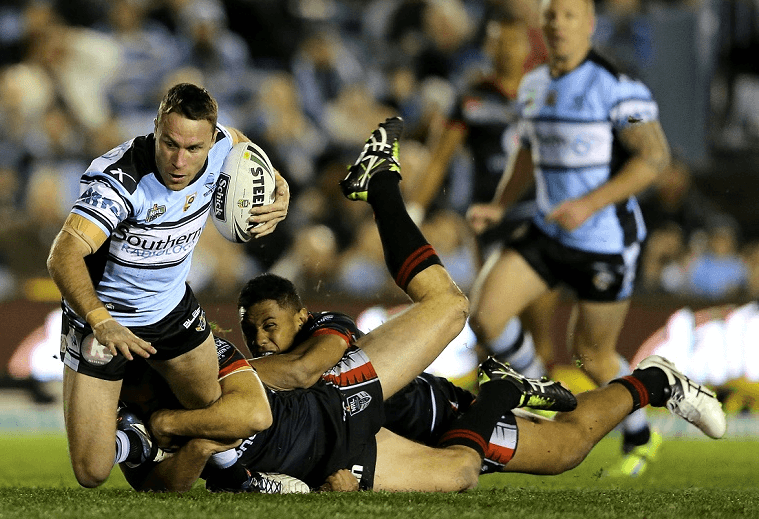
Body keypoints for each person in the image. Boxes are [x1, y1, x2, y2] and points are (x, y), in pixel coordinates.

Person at [115, 118, 724, 494]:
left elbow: (297, 377)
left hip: (378, 402)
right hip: (352, 441)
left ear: (301, 315)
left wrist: (191, 419)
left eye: (270, 325)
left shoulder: (319, 333)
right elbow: (250, 462)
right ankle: (630, 383)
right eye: (253, 332)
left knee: (550, 435)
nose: (262, 339)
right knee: (486, 464)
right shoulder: (217, 386)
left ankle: (381, 188)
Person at [46, 83, 289, 488]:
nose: (179, 160)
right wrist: (100, 320)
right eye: (169, 143)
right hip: (103, 319)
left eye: (193, 149)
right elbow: (63, 255)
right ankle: (129, 432)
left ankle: (150, 440)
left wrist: (279, 186)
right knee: (91, 473)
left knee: (218, 416)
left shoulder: (223, 147)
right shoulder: (119, 182)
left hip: (170, 310)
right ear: (156, 127)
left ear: (212, 140)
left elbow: (247, 150)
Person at [465, 0, 672, 477]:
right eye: (551, 15)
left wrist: (589, 204)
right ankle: (536, 384)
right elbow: (527, 152)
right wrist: (500, 203)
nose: (558, 23)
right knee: (485, 316)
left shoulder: (619, 89)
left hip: (604, 240)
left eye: (570, 15)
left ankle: (641, 434)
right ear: (542, 24)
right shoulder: (534, 85)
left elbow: (655, 158)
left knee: (591, 354)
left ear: (590, 25)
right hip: (548, 231)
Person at [413, 15, 557, 378]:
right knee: (490, 318)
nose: (506, 50)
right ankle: (488, 411)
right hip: (490, 221)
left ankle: (541, 407)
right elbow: (438, 159)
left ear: (527, 48)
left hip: (539, 215)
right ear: (487, 48)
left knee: (538, 320)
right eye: (498, 42)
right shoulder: (472, 99)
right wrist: (414, 209)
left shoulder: (546, 96)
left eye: (513, 42)